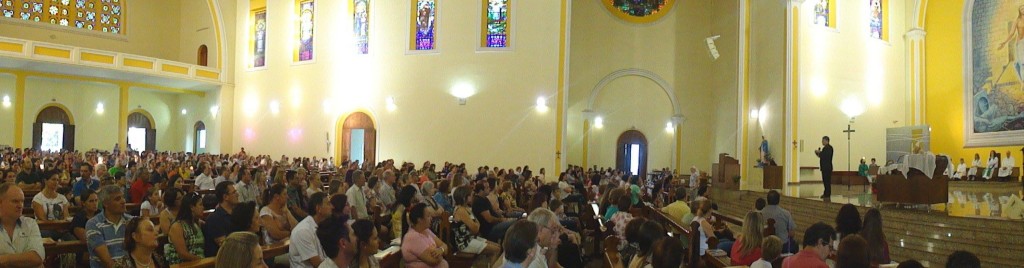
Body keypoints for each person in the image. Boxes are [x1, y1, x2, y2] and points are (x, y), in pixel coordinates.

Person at [87, 185, 136, 268]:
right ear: (106, 203)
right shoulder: (94, 224)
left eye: (123, 197)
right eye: (117, 199)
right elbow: (107, 261)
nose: (123, 201)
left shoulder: (132, 221)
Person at [450, 186, 501, 264]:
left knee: (498, 246)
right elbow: (475, 229)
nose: (472, 197)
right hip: (464, 243)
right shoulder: (461, 210)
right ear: (464, 197)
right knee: (496, 250)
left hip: (471, 238)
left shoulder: (466, 208)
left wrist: (476, 224)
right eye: (470, 195)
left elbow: (476, 226)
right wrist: (476, 224)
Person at [0, 183, 45, 268]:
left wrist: (4, 259)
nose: (20, 205)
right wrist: (23, 260)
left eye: (22, 201)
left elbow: (37, 258)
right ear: (0, 202)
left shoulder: (30, 224)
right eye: (15, 201)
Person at [289, 192, 333, 268]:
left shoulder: (322, 226)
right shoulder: (303, 231)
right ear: (318, 208)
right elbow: (317, 264)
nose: (332, 207)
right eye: (328, 204)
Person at [401, 203, 449, 268]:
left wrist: (441, 250)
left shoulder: (426, 230)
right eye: (428, 216)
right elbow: (433, 260)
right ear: (419, 220)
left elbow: (445, 246)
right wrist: (441, 252)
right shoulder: (412, 237)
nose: (431, 218)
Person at [165, 192, 205, 264]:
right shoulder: (177, 226)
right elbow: (183, 254)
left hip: (198, 262)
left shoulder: (197, 223)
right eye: (200, 205)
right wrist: (202, 261)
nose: (203, 207)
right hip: (183, 264)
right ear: (192, 207)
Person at [203, 181, 239, 255]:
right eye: (234, 192)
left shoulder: (237, 214)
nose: (237, 194)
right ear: (225, 197)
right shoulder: (214, 219)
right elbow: (225, 246)